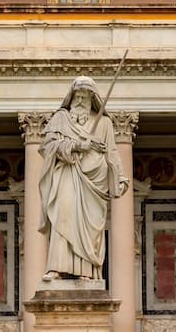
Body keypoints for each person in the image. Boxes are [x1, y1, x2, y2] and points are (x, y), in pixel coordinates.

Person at [39, 76, 129, 281]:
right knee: (63, 213)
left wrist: (120, 176)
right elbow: (48, 147)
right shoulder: (60, 119)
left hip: (94, 180)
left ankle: (86, 271)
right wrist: (80, 145)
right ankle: (56, 267)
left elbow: (112, 152)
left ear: (92, 98)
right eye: (77, 96)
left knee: (90, 228)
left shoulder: (104, 123)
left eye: (84, 97)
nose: (80, 101)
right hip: (68, 174)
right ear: (71, 97)